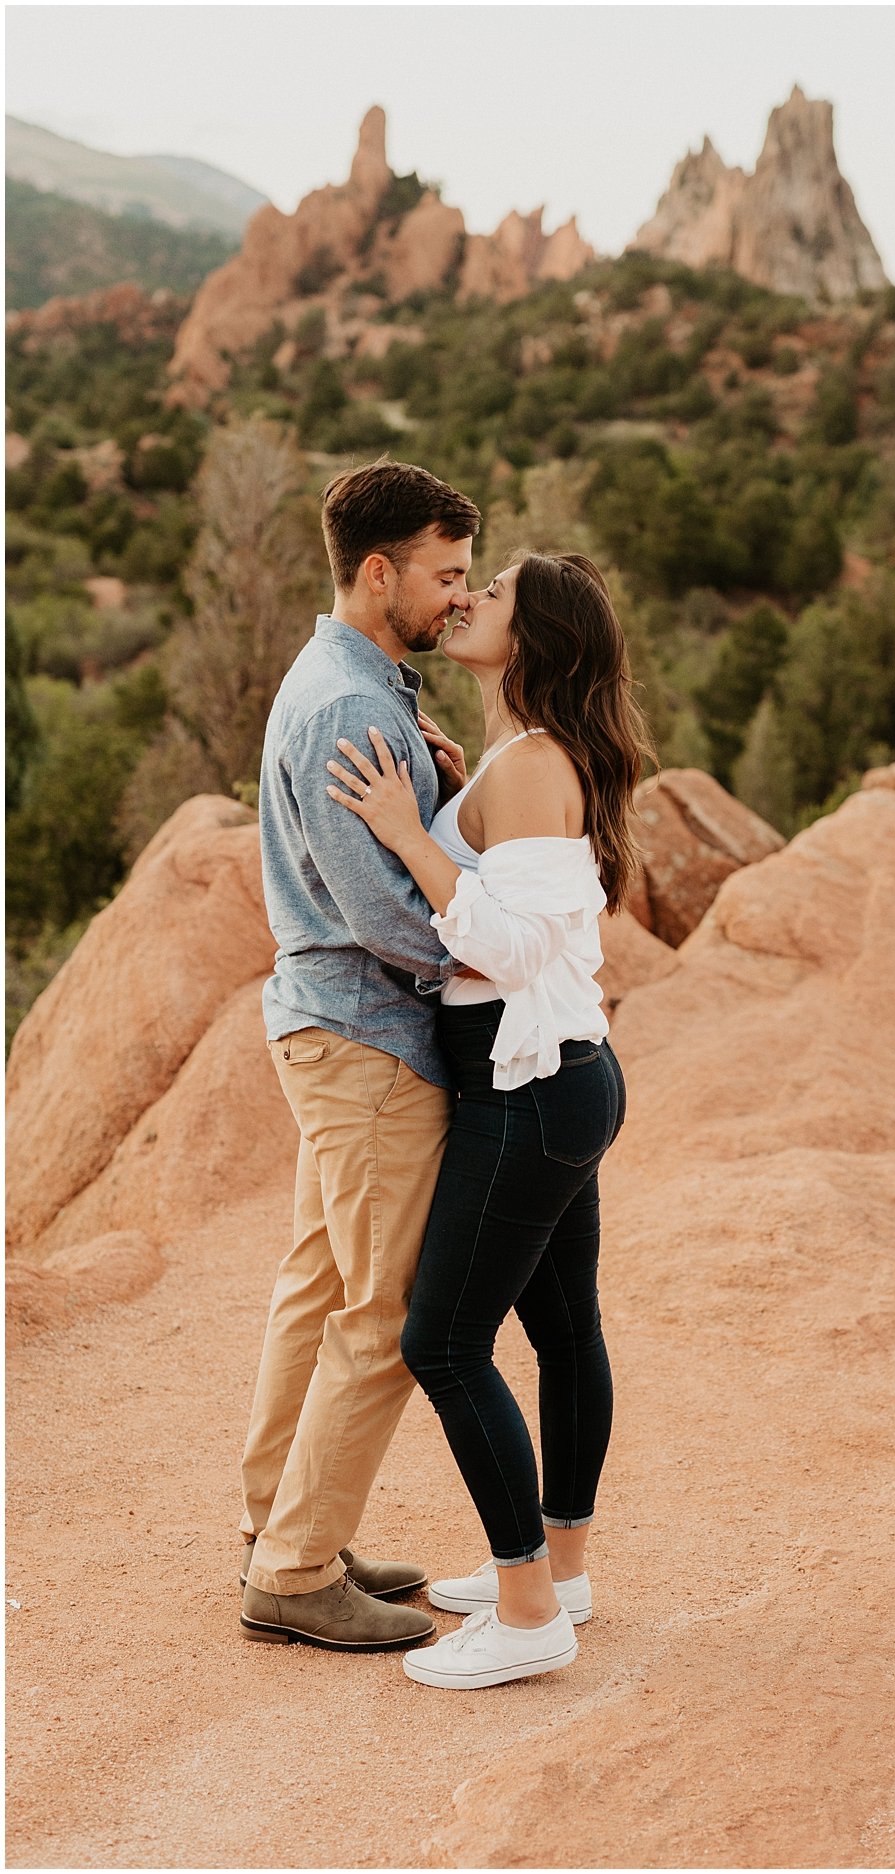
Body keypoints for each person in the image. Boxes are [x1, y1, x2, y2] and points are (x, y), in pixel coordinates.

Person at [326, 550, 648, 1690]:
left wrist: (415, 831)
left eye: (491, 589)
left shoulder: (533, 765)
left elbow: (503, 948)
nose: (464, 597)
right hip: (558, 1074)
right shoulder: (521, 760)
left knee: (443, 1340)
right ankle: (562, 1573)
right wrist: (457, 803)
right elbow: (521, 900)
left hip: (526, 1081)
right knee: (563, 1331)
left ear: (537, 635)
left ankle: (526, 1613)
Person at [238, 460, 480, 1652]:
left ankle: (282, 1526)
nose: (456, 598)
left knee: (318, 1286)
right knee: (381, 1313)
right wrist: (482, 953)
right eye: (443, 575)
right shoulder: (351, 703)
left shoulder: (349, 680)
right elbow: (381, 909)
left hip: (328, 1024)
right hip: (370, 1036)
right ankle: (291, 1566)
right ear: (377, 570)